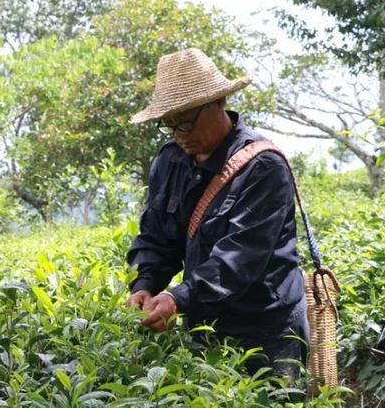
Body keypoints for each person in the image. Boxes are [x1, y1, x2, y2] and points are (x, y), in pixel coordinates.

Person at [125, 47, 308, 380]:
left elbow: (239, 259)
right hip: (204, 323)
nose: (181, 134)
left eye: (187, 121)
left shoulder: (262, 166)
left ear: (219, 102)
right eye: (170, 125)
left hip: (267, 329)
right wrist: (147, 284)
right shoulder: (169, 162)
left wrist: (176, 299)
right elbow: (157, 235)